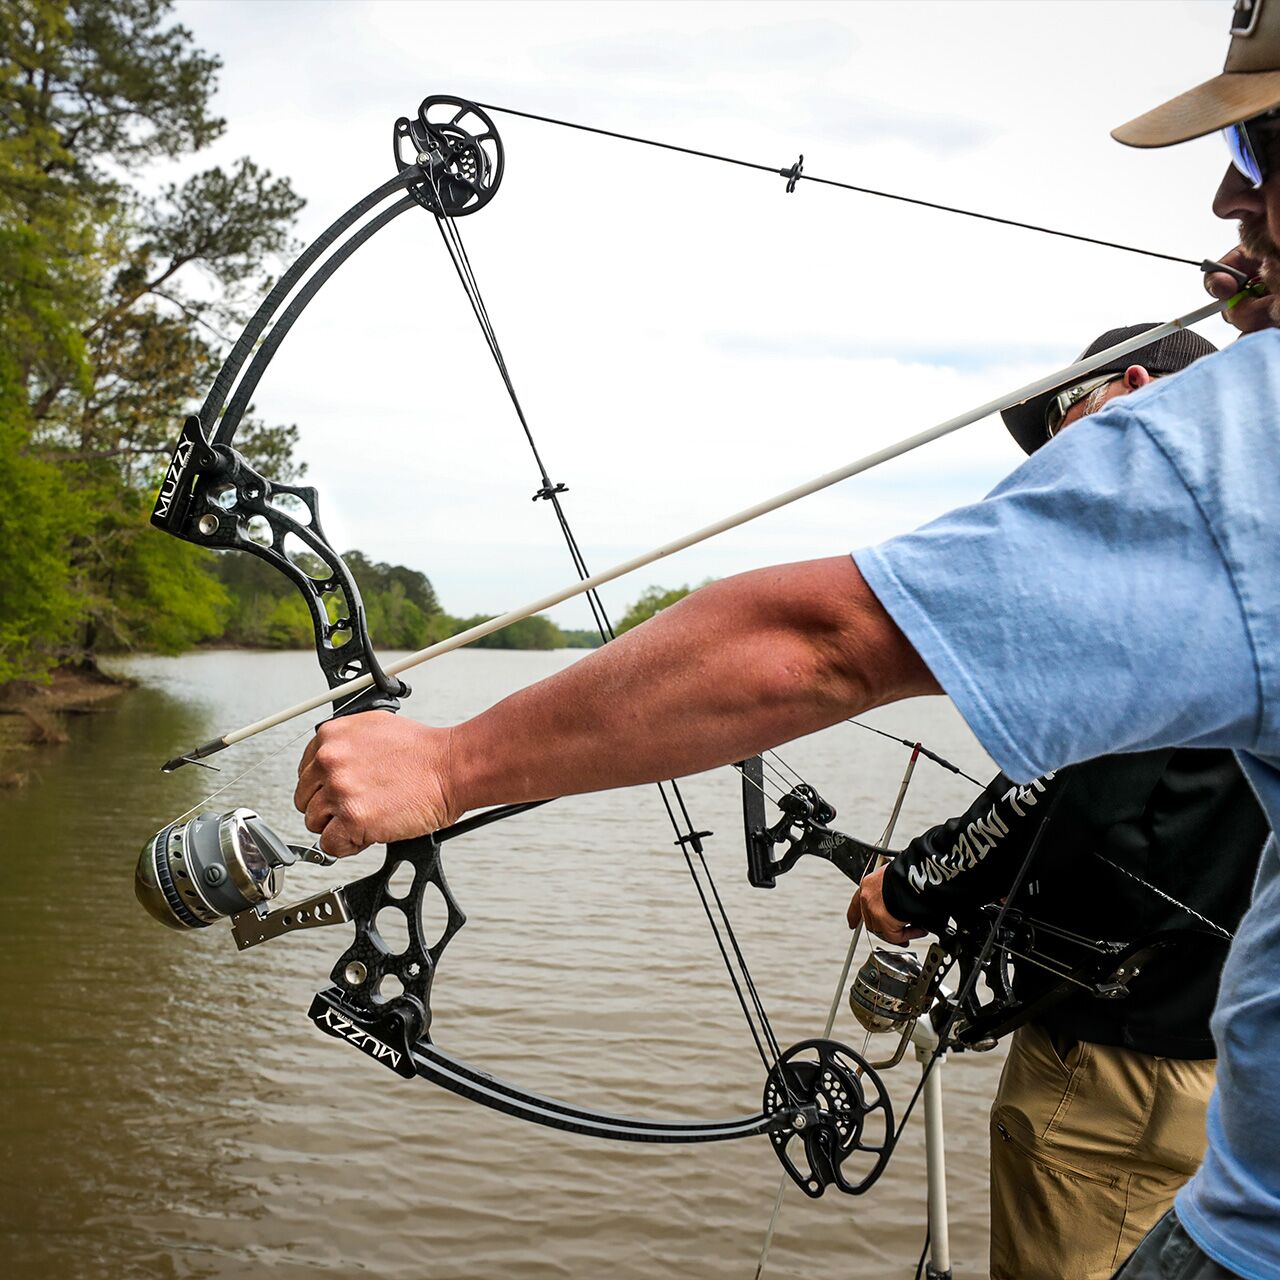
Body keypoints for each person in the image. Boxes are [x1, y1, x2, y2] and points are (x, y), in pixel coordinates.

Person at [294, 3, 1280, 1276]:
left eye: (1255, 151)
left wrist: (440, 765)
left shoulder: (1231, 452)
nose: (1221, 199)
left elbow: (821, 643)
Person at [846, 324, 1269, 1280]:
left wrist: (910, 888)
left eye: (1060, 429)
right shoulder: (1257, 570)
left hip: (1118, 1079)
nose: (1057, 464)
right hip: (1240, 1067)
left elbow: (1065, 791)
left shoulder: (1152, 596)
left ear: (1129, 390)